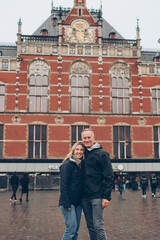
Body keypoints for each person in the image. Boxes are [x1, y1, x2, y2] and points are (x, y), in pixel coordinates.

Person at [81, 128, 114, 240]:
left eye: (89, 137)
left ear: (94, 138)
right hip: (84, 197)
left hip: (97, 196)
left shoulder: (102, 154)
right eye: (84, 138)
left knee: (98, 225)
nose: (87, 140)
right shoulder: (82, 154)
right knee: (90, 226)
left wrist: (106, 197)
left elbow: (109, 176)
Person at [59, 142, 84, 240]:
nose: (79, 152)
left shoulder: (79, 165)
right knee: (71, 229)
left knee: (75, 230)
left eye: (81, 150)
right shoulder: (67, 164)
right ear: (73, 150)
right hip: (68, 202)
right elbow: (63, 185)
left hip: (77, 203)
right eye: (77, 149)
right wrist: (66, 203)